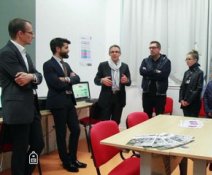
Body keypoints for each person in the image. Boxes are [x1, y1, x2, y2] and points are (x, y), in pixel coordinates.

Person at [0, 18, 44, 175]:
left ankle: (26, 172)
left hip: (31, 107)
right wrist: (33, 78)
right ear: (20, 33)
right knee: (20, 149)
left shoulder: (25, 54)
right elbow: (22, 81)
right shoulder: (6, 53)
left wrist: (32, 76)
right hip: (18, 109)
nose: (33, 36)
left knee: (38, 145)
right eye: (31, 33)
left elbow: (38, 76)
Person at [43, 38, 87, 172]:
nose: (68, 50)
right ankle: (66, 161)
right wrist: (69, 79)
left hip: (69, 101)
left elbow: (77, 78)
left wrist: (65, 78)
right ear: (58, 49)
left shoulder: (66, 65)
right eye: (66, 47)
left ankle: (73, 158)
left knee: (76, 129)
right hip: (58, 103)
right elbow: (55, 84)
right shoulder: (48, 65)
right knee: (61, 133)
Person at [94, 45, 131, 124]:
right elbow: (96, 80)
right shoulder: (103, 65)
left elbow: (129, 82)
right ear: (109, 54)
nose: (114, 53)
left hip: (119, 98)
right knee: (105, 123)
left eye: (117, 52)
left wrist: (126, 80)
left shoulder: (124, 66)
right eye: (112, 52)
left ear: (120, 54)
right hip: (106, 99)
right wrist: (102, 80)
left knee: (116, 122)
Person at [139, 41, 171, 118]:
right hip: (147, 93)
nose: (151, 49)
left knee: (159, 117)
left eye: (153, 47)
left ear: (159, 49)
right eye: (150, 48)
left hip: (160, 94)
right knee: (146, 116)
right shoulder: (145, 61)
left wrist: (148, 73)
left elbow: (163, 75)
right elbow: (141, 72)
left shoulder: (166, 61)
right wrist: (156, 72)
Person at [179, 50, 204, 117]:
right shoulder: (186, 72)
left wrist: (188, 101)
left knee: (192, 123)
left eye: (189, 59)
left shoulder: (199, 72)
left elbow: (198, 89)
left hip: (194, 103)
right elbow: (182, 87)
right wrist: (181, 99)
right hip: (184, 102)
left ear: (195, 60)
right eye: (186, 59)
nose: (187, 61)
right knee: (185, 121)